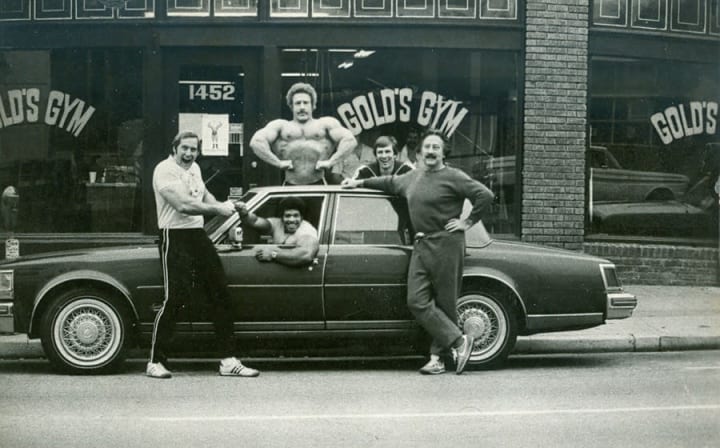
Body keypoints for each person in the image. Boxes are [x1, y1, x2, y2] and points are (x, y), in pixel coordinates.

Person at [341, 130, 495, 375]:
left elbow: (485, 195)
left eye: (436, 147)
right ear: (421, 152)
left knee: (445, 303)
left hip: (447, 244)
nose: (431, 151)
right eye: (427, 147)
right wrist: (357, 182)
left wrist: (466, 222)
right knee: (416, 300)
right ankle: (458, 341)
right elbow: (388, 182)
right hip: (422, 243)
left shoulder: (454, 176)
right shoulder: (412, 177)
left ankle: (437, 360)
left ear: (444, 152)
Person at [148, 130, 259, 379]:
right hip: (174, 236)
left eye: (193, 149)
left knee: (220, 291)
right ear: (174, 148)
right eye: (185, 148)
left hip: (197, 235)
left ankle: (228, 361)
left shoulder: (195, 169)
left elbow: (204, 196)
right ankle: (155, 361)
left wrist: (228, 206)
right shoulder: (164, 170)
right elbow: (184, 205)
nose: (189, 153)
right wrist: (220, 208)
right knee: (175, 297)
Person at [249, 82, 357, 185]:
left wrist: (331, 162)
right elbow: (256, 142)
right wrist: (278, 163)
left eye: (306, 103)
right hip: (290, 185)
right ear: (291, 106)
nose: (302, 107)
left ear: (313, 105)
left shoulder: (326, 124)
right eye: (297, 103)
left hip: (319, 185)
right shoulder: (280, 126)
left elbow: (350, 140)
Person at [234, 196, 319, 267]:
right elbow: (254, 221)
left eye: (296, 216)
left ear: (302, 217)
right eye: (288, 216)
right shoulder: (277, 223)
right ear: (281, 217)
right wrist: (244, 213)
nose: (292, 220)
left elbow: (306, 255)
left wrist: (273, 254)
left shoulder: (307, 230)